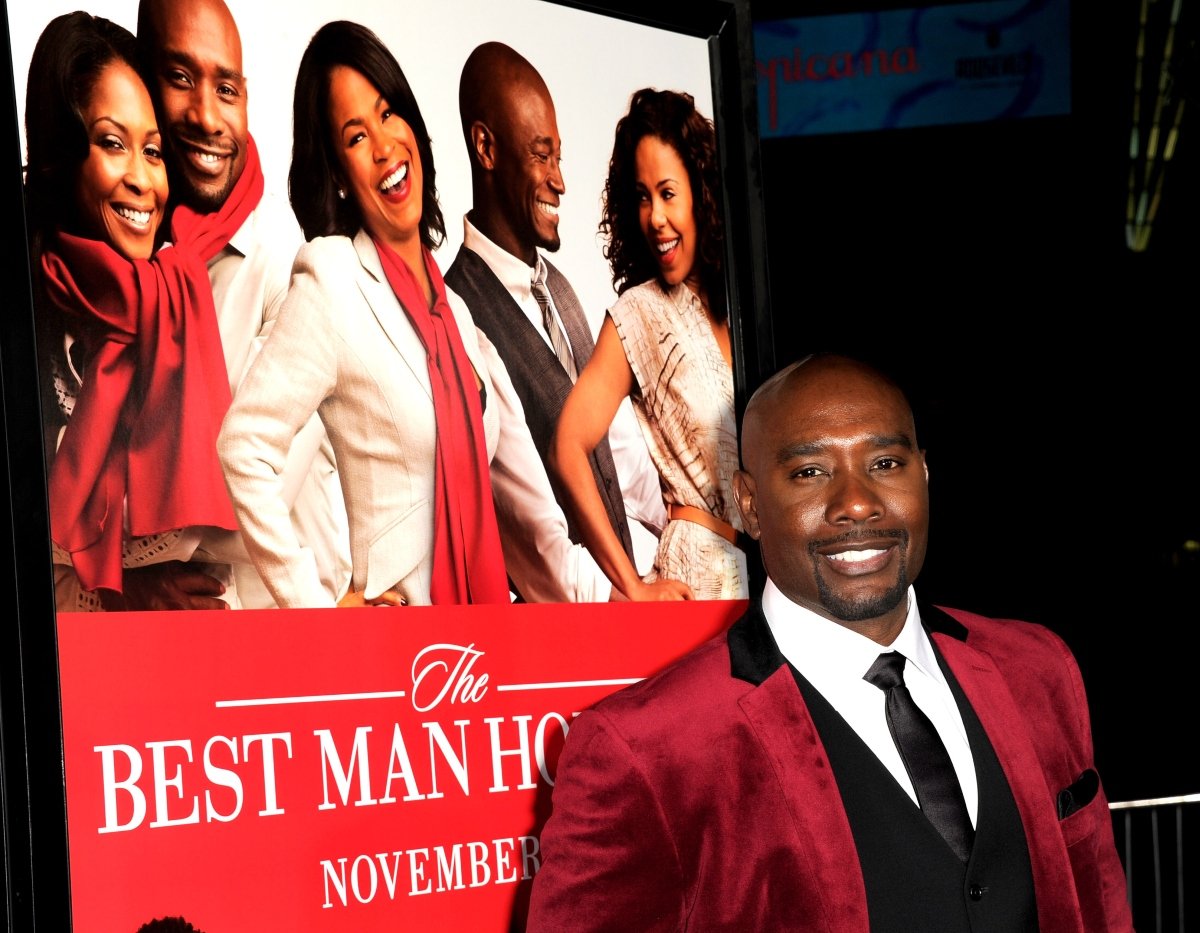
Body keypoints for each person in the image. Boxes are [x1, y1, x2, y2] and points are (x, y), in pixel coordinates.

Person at [527, 354, 1133, 932]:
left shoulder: (1036, 669)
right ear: (749, 503)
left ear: (924, 475)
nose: (857, 503)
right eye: (810, 472)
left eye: (886, 464)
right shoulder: (646, 752)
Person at [218, 20, 608, 607]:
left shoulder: (454, 311)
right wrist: (316, 610)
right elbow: (244, 447)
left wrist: (629, 592)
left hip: (482, 647)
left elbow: (527, 515)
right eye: (355, 137)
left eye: (387, 113)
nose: (383, 146)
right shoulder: (333, 280)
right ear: (341, 177)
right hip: (403, 663)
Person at [132, 0, 350, 610]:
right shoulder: (119, 265)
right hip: (152, 664)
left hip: (280, 658)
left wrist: (108, 564)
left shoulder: (291, 268)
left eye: (226, 88)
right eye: (179, 78)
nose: (207, 116)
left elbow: (246, 506)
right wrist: (121, 582)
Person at [25, 11, 244, 611]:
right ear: (61, 156)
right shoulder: (27, 322)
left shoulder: (177, 309)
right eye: (111, 144)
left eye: (152, 151)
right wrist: (124, 593)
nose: (143, 180)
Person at [444, 42, 667, 592]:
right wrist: (635, 601)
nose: (560, 181)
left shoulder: (562, 291)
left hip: (638, 603)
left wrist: (680, 553)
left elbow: (626, 468)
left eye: (559, 158)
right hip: (570, 650)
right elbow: (539, 550)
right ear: (486, 148)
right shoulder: (460, 315)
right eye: (542, 156)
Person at [550, 89, 746, 601]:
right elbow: (568, 446)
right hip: (696, 584)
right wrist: (634, 589)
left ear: (702, 192)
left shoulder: (747, 309)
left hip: (768, 584)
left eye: (667, 193)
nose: (654, 216)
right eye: (641, 196)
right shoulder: (639, 313)